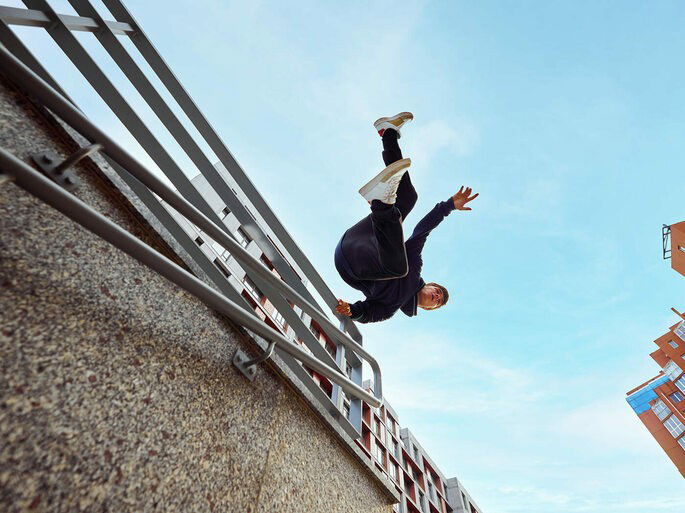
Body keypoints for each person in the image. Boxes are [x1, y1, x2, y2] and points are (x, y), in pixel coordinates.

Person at [334, 112, 478, 324]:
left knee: (397, 266)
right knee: (409, 197)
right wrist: (448, 206)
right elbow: (423, 230)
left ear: (427, 308)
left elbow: (368, 312)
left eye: (437, 301)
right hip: (359, 240)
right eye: (437, 291)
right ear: (429, 285)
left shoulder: (390, 308)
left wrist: (352, 311)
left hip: (350, 264)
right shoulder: (414, 265)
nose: (436, 296)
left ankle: (380, 204)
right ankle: (388, 133)